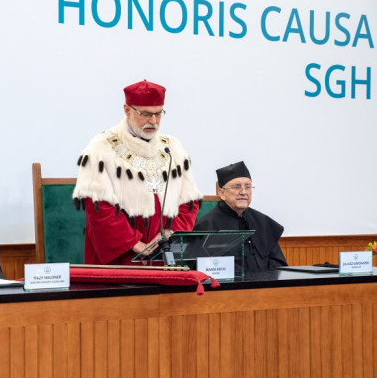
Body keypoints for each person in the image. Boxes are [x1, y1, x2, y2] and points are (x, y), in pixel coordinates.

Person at [72, 80, 202, 265]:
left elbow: (189, 201)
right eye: (146, 114)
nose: (154, 121)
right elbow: (98, 206)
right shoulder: (102, 147)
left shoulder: (172, 147)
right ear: (127, 110)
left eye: (158, 114)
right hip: (123, 256)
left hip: (164, 252)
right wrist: (134, 243)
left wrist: (170, 232)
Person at [193, 161, 288, 270]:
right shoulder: (207, 225)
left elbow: (278, 263)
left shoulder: (262, 222)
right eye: (237, 187)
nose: (244, 192)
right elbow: (207, 270)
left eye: (248, 187)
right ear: (221, 193)